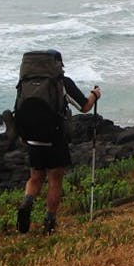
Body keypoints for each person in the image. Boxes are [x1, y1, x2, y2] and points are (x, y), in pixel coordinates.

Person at [15, 49, 101, 235]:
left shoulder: (26, 82)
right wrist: (95, 95)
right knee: (55, 180)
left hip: (32, 138)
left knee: (35, 178)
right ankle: (50, 221)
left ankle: (27, 202)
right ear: (57, 64)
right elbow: (84, 107)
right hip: (55, 139)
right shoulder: (62, 83)